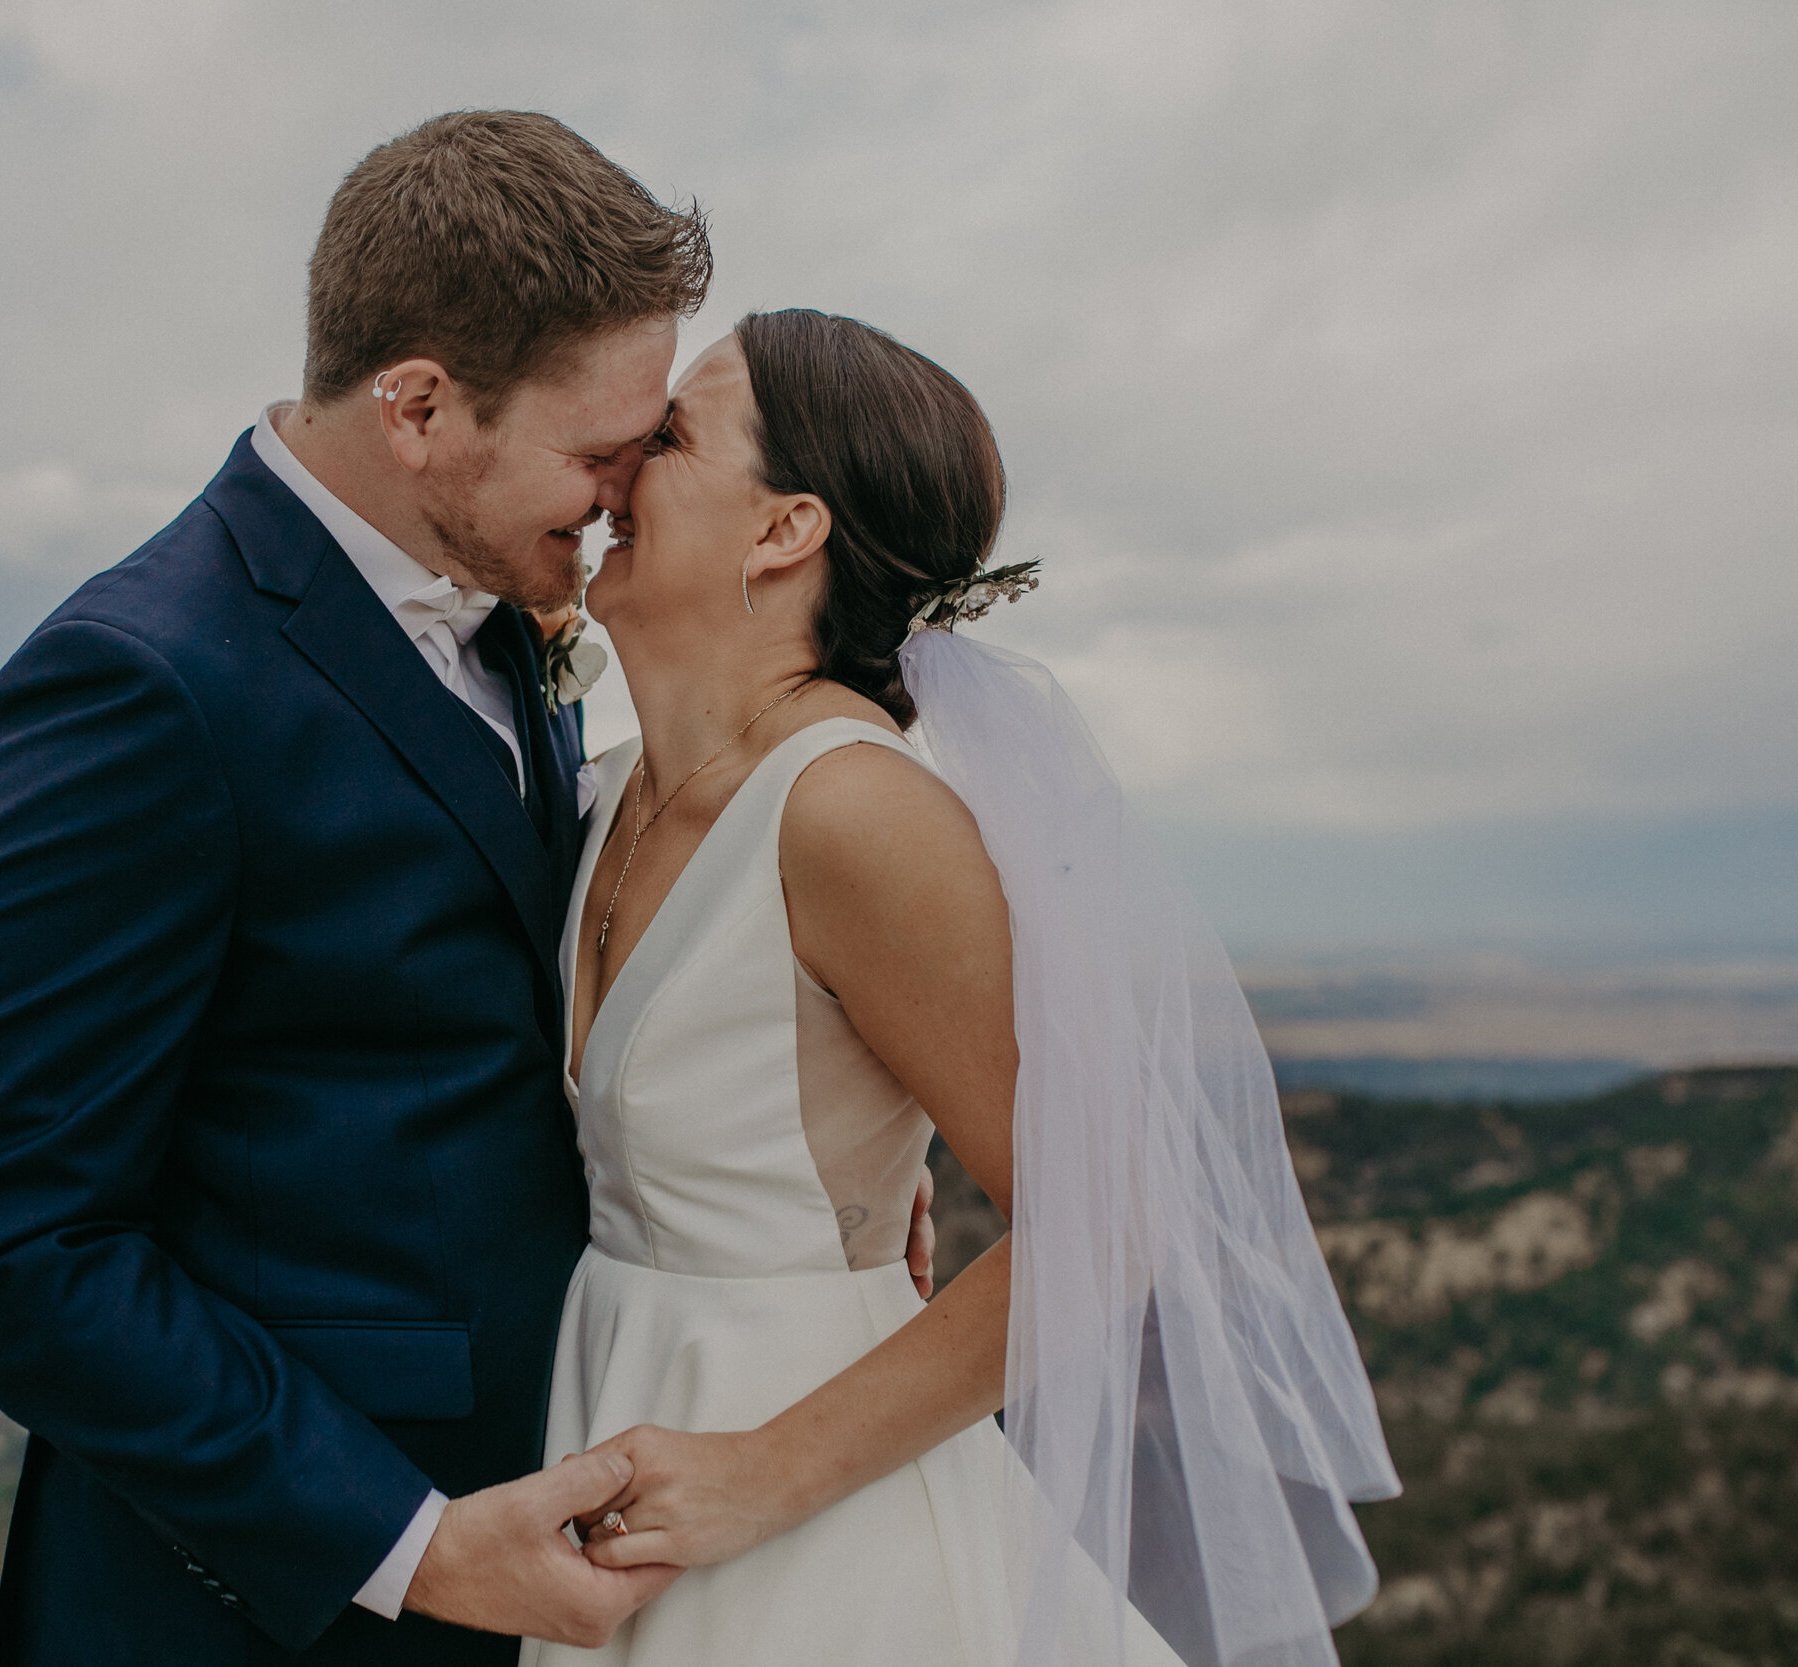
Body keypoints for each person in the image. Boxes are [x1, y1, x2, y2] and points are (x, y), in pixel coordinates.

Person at [0, 116, 935, 1667]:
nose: (616, 500)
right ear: (421, 406)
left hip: (561, 1527)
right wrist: (412, 1544)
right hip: (269, 1600)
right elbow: (3, 1244)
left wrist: (794, 1180)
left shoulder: (504, 609)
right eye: (596, 456)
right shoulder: (138, 685)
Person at [526, 310, 1399, 1666]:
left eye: (675, 432)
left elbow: (1109, 1224)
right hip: (617, 1418)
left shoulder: (853, 812)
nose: (624, 461)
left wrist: (760, 1474)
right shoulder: (608, 787)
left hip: (797, 1495)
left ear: (784, 531)